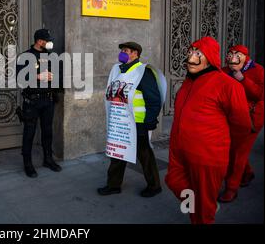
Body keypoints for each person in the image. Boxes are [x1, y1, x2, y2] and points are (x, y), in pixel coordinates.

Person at [165, 36, 251, 224]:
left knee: (203, 212)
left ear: (210, 57)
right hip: (179, 152)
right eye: (190, 52)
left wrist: (220, 146)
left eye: (198, 53)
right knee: (174, 181)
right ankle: (199, 208)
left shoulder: (228, 85)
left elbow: (242, 126)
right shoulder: (188, 82)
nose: (191, 57)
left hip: (207, 156)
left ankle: (202, 213)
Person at [98, 42, 165, 197]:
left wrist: (150, 120)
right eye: (121, 50)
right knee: (117, 153)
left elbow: (154, 99)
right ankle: (113, 185)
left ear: (135, 53)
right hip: (120, 122)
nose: (122, 53)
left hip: (138, 123)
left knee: (144, 155)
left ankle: (154, 186)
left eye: (125, 50)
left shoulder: (143, 72)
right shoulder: (117, 70)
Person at [218, 45, 264, 202]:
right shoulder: (224, 70)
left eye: (236, 55)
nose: (232, 58)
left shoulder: (258, 70)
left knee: (237, 154)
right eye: (230, 54)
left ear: (245, 57)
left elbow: (259, 94)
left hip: (251, 120)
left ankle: (231, 188)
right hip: (230, 118)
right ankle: (247, 173)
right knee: (235, 150)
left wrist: (243, 79)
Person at [16, 28, 61, 178]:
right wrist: (37, 76)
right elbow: (20, 79)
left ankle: (48, 159)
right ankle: (27, 163)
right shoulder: (25, 56)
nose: (49, 43)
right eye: (46, 40)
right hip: (32, 100)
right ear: (39, 41)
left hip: (47, 100)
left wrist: (55, 78)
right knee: (29, 132)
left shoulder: (52, 56)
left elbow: (58, 76)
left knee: (47, 131)